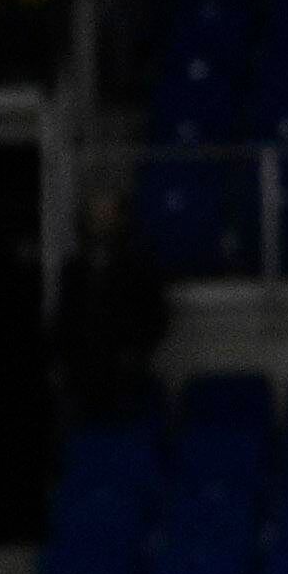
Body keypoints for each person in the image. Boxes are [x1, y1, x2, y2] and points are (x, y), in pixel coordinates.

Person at [47, 183, 168, 432]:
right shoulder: (74, 269)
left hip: (122, 374)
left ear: (120, 217)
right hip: (79, 375)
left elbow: (155, 316)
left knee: (121, 440)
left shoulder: (139, 266)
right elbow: (64, 318)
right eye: (96, 214)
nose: (101, 221)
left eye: (107, 213)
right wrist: (60, 360)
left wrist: (133, 354)